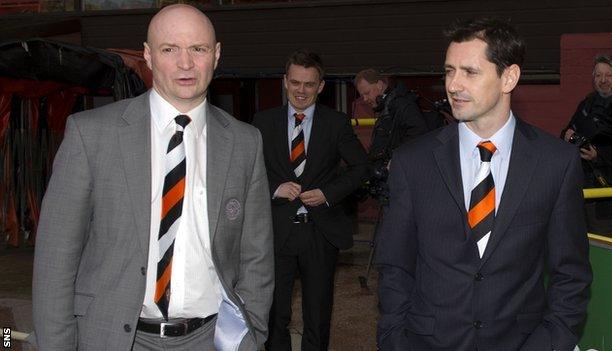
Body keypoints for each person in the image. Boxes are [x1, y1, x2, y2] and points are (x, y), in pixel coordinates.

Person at [32, 4, 273, 351]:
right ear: (147, 55)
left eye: (198, 49)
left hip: (212, 339)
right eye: (169, 49)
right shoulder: (91, 136)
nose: (186, 63)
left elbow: (257, 258)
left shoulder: (245, 142)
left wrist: (251, 335)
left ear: (216, 55)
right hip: (113, 338)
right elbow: (56, 260)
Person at [375, 18, 592, 351]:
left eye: (470, 72)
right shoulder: (412, 162)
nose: (453, 85)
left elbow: (571, 274)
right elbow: (396, 267)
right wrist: (395, 340)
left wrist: (550, 342)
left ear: (509, 77)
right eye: (449, 71)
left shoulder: (556, 163)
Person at [253, 50, 368, 351]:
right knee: (275, 313)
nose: (301, 90)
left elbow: (361, 167)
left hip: (319, 232)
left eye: (309, 84)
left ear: (321, 86)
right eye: (295, 83)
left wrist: (329, 193)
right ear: (284, 82)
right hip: (276, 233)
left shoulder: (337, 123)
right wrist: (274, 188)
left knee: (317, 315)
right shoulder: (262, 123)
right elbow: (248, 172)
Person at [562, 54, 612, 235]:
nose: (603, 80)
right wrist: (568, 137)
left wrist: (599, 155)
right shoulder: (588, 103)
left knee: (611, 248)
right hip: (585, 189)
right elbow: (566, 132)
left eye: (608, 75)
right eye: (598, 75)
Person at [354, 68, 430, 165]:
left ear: (380, 85)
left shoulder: (401, 104)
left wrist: (395, 159)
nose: (364, 99)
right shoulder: (388, 107)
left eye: (367, 93)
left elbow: (419, 134)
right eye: (362, 96)